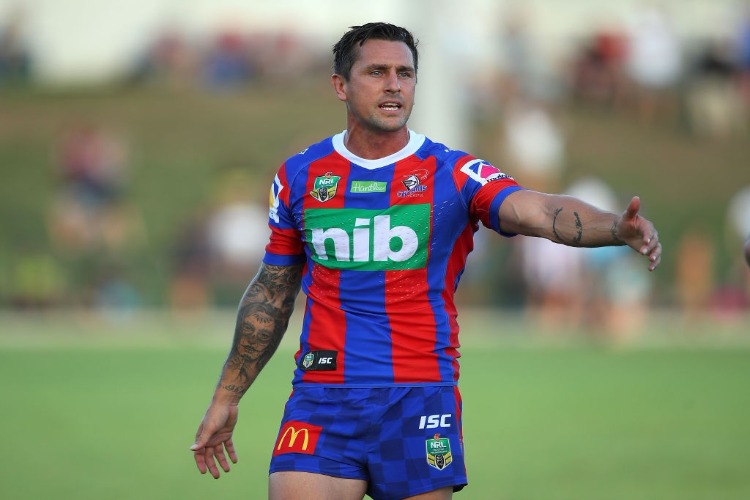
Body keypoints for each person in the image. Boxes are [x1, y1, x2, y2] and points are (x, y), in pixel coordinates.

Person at [190, 22, 662, 500]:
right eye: (377, 71)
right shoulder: (300, 175)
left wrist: (612, 227)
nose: (394, 84)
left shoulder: (453, 172)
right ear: (340, 85)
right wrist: (227, 395)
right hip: (322, 394)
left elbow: (536, 209)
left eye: (405, 73)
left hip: (418, 396)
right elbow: (272, 292)